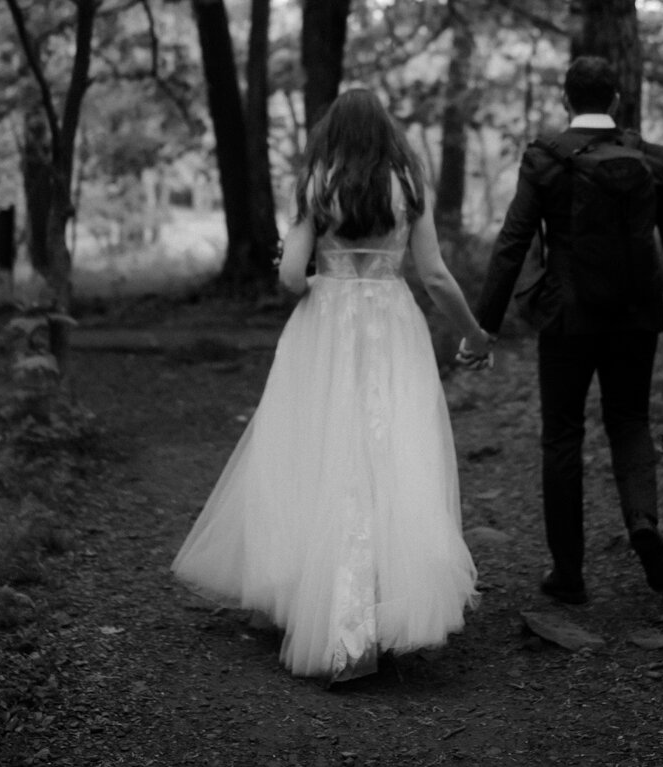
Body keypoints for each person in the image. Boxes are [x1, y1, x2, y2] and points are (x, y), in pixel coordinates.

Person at [172, 89, 495, 684]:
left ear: (332, 135)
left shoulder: (317, 184)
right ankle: (381, 607)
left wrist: (301, 261)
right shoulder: (409, 185)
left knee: (320, 456)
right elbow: (436, 276)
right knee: (390, 456)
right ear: (388, 135)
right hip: (393, 329)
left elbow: (293, 278)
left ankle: (325, 608)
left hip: (325, 332)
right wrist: (475, 333)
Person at [473, 55, 663, 606]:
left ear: (565, 100)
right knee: (628, 422)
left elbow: (513, 242)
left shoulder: (547, 159)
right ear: (618, 101)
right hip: (637, 317)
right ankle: (643, 522)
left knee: (562, 434)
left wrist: (484, 326)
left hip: (567, 319)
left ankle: (568, 572)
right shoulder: (652, 160)